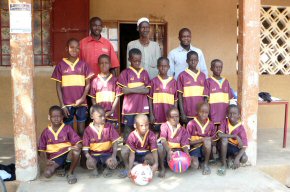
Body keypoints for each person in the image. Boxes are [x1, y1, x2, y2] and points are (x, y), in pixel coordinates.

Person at [51, 38, 94, 136]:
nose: (75, 50)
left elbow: (88, 84)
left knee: (81, 131)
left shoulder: (83, 65)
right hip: (67, 105)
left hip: (81, 104)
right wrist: (62, 105)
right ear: (67, 49)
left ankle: (83, 150)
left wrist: (82, 99)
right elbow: (58, 87)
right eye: (72, 47)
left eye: (77, 48)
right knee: (69, 132)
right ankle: (72, 151)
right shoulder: (60, 66)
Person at [38, 106, 82, 184]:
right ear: (49, 117)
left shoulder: (67, 128)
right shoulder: (45, 132)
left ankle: (70, 173)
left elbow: (78, 141)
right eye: (53, 117)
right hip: (55, 158)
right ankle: (61, 167)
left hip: (68, 154)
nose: (56, 119)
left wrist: (78, 146)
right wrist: (45, 161)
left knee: (76, 151)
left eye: (58, 116)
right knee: (47, 174)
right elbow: (41, 149)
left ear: (62, 117)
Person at [117, 48, 150, 142]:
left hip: (142, 108)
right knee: (128, 130)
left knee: (142, 130)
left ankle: (140, 150)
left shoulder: (144, 72)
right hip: (129, 109)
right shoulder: (125, 73)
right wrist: (140, 89)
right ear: (129, 59)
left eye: (139, 60)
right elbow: (124, 90)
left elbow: (147, 90)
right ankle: (126, 151)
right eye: (134, 60)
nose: (137, 62)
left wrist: (131, 89)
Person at [83, 105, 120, 177]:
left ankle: (107, 168)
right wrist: (88, 157)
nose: (103, 118)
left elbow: (115, 142)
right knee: (90, 163)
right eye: (100, 116)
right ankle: (95, 169)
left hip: (107, 154)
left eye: (104, 115)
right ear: (91, 116)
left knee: (112, 163)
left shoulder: (109, 127)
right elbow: (85, 147)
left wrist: (114, 156)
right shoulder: (87, 130)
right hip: (94, 155)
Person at [89, 54, 120, 126]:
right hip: (99, 115)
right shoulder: (95, 81)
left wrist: (112, 110)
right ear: (98, 65)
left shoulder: (115, 80)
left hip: (112, 113)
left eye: (106, 63)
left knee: (112, 133)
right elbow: (93, 98)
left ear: (110, 64)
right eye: (101, 63)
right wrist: (97, 111)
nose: (104, 65)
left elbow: (117, 97)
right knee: (100, 133)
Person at [148, 57, 177, 134]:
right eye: (161, 66)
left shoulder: (173, 82)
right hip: (157, 116)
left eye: (165, 66)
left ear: (169, 67)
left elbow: (175, 101)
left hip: (169, 116)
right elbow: (150, 99)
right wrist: (151, 114)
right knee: (156, 135)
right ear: (157, 67)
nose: (163, 68)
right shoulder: (153, 81)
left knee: (168, 135)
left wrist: (175, 115)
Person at [158, 107, 190, 178]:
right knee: (160, 147)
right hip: (167, 150)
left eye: (177, 116)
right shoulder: (164, 126)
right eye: (172, 117)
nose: (175, 119)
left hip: (177, 150)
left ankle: (172, 164)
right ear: (167, 118)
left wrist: (187, 153)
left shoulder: (182, 129)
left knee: (193, 164)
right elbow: (163, 140)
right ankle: (162, 168)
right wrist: (169, 151)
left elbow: (184, 144)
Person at [217, 105, 248, 176]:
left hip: (234, 148)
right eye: (230, 113)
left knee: (244, 158)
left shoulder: (241, 128)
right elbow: (219, 135)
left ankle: (231, 158)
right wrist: (235, 136)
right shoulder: (224, 122)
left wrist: (237, 159)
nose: (232, 115)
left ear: (239, 116)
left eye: (234, 114)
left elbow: (244, 146)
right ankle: (223, 164)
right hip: (223, 146)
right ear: (227, 114)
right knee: (224, 139)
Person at [177, 51, 207, 124]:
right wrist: (182, 113)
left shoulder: (203, 76)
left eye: (195, 60)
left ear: (198, 61)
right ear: (187, 61)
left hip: (201, 114)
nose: (193, 62)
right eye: (191, 60)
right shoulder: (182, 75)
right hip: (187, 113)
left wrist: (206, 111)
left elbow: (205, 97)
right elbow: (179, 96)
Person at [187, 102, 216, 175]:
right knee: (194, 166)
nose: (204, 114)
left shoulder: (211, 124)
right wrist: (201, 140)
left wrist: (206, 141)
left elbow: (214, 142)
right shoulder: (191, 124)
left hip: (206, 149)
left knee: (207, 141)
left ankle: (206, 164)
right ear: (197, 111)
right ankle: (199, 161)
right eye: (201, 112)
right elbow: (187, 143)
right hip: (194, 149)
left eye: (206, 112)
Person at [204, 59, 234, 126]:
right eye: (216, 67)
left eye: (220, 67)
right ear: (211, 68)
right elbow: (205, 99)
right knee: (213, 132)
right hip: (213, 113)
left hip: (224, 113)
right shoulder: (208, 81)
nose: (218, 69)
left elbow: (230, 99)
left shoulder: (226, 81)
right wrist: (207, 113)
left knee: (222, 131)